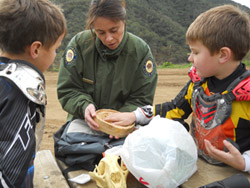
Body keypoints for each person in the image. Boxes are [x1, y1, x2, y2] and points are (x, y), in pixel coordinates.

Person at [105, 4, 250, 172]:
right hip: (199, 166)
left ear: (223, 55)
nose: (190, 58)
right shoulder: (198, 84)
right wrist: (134, 115)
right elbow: (175, 108)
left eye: (195, 52)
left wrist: (245, 162)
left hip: (236, 174)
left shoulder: (246, 95)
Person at [57, 0, 157, 132]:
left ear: (124, 21)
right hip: (84, 123)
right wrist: (85, 106)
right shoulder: (80, 44)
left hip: (123, 126)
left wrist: (119, 120)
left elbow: (142, 98)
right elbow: (68, 89)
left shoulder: (140, 51)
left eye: (114, 30)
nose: (109, 38)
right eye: (101, 32)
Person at [0, 0, 67, 187]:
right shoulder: (22, 93)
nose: (55, 55)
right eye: (55, 49)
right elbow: (8, 175)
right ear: (36, 49)